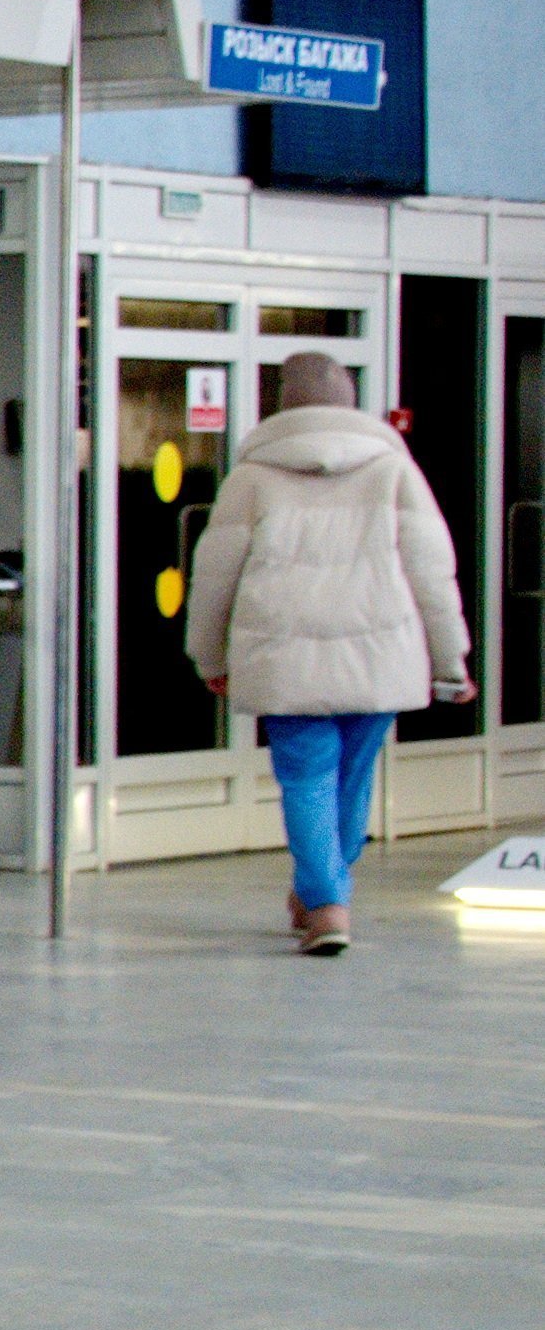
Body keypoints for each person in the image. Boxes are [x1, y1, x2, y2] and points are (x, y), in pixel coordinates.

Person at [187, 347, 471, 954]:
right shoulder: (394, 470)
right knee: (352, 779)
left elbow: (213, 578)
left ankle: (325, 902)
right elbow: (432, 572)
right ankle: (325, 894)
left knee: (307, 778)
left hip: (283, 656)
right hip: (380, 652)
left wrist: (209, 657)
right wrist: (451, 659)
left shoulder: (252, 477)